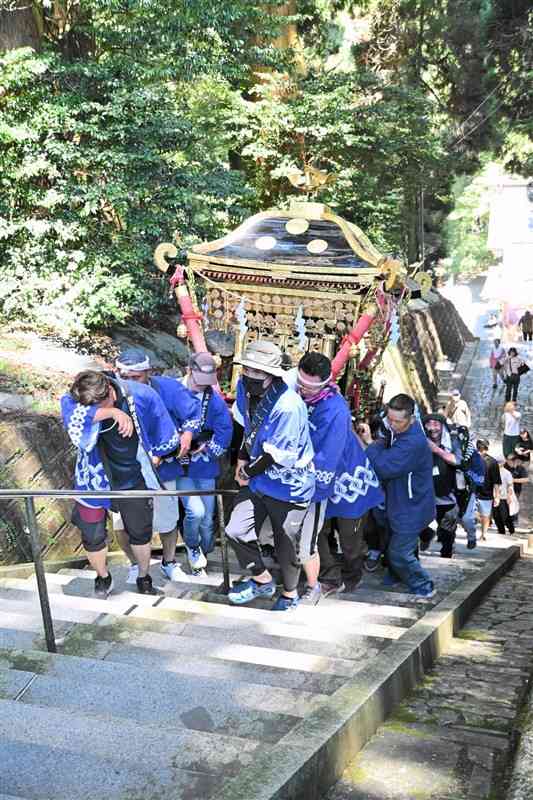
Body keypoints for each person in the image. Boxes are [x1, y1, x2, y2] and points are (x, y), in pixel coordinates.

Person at [61, 369, 182, 597]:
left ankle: (144, 576)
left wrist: (157, 455)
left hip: (131, 475)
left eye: (98, 405)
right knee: (92, 533)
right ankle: (103, 576)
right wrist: (112, 412)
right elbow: (73, 417)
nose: (93, 410)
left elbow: (165, 435)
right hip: (92, 477)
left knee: (140, 531)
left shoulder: (141, 395)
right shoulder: (75, 396)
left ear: (109, 390)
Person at [226, 340, 315, 612]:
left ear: (272, 375)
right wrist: (242, 459)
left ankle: (290, 594)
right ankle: (261, 578)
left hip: (289, 483)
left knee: (286, 542)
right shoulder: (243, 388)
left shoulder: (288, 405)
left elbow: (276, 454)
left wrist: (247, 470)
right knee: (236, 528)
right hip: (259, 479)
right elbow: (248, 428)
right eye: (247, 370)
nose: (250, 376)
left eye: (257, 372)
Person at [287, 352, 383, 603]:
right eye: (301, 383)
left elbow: (329, 454)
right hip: (313, 473)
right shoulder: (295, 392)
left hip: (346, 478)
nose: (304, 389)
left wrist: (314, 491)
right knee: (315, 530)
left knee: (349, 537)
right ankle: (330, 576)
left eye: (311, 386)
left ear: (325, 382)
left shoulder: (335, 409)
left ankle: (352, 574)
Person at [359, 394, 437, 598]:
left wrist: (371, 445)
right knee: (394, 542)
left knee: (399, 552)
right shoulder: (398, 430)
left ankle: (424, 585)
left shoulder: (413, 441)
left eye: (398, 421)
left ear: (411, 419)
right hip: (399, 500)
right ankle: (397, 575)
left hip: (411, 505)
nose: (392, 425)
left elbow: (384, 466)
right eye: (390, 419)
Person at [176, 352, 233, 571]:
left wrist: (208, 447)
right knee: (195, 512)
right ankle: (192, 546)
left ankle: (205, 547)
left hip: (205, 465)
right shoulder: (173, 392)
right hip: (181, 465)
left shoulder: (214, 401)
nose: (203, 387)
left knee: (208, 518)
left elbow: (225, 429)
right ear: (189, 371)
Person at [419, 414, 462, 558]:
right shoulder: (418, 442)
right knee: (422, 528)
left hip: (447, 496)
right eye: (428, 424)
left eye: (436, 424)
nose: (432, 428)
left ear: (443, 427)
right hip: (424, 495)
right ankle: (426, 538)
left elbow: (457, 461)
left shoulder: (453, 442)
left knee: (447, 531)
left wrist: (436, 450)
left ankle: (446, 554)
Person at [475, 439, 501, 542]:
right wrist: (497, 496)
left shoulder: (492, 462)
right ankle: (483, 533)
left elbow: (496, 480)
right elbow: (496, 481)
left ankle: (483, 534)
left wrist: (497, 496)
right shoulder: (473, 459)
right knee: (483, 516)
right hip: (478, 493)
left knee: (484, 516)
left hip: (483, 493)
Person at [493, 458, 517, 535]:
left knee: (505, 515)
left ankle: (511, 530)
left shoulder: (507, 473)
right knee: (496, 516)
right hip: (495, 496)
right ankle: (501, 531)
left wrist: (509, 496)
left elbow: (510, 485)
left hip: (504, 497)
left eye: (499, 462)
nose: (498, 464)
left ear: (503, 463)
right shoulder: (492, 472)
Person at [504, 453, 528, 526]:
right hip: (506, 489)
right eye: (507, 461)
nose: (508, 463)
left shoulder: (520, 468)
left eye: (509, 461)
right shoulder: (505, 466)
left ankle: (514, 520)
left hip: (516, 490)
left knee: (514, 504)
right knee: (505, 504)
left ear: (514, 461)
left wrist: (513, 480)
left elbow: (526, 479)